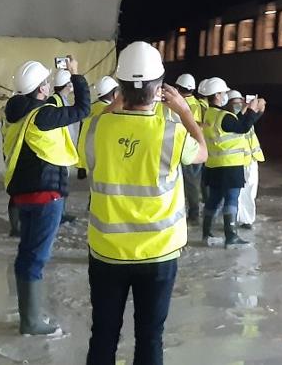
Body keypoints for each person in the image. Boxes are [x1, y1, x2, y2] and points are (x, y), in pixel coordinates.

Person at [81, 42, 207, 365]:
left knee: (104, 334)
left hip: (107, 253)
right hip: (158, 254)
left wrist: (117, 104)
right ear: (158, 89)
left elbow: (95, 138)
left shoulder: (96, 129)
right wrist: (185, 112)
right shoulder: (172, 133)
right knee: (150, 336)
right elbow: (203, 152)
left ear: (119, 88)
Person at [3, 57, 91, 335]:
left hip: (23, 196)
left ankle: (28, 317)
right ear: (40, 89)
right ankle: (31, 322)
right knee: (35, 258)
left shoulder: (18, 112)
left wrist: (60, 86)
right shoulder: (42, 116)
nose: (49, 87)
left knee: (27, 254)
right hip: (46, 195)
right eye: (46, 84)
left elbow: (52, 104)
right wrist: (76, 74)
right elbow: (82, 109)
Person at [199, 78, 265, 247]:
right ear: (217, 95)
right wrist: (253, 111)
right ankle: (231, 236)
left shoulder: (210, 114)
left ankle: (206, 234)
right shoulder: (224, 116)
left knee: (213, 199)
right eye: (223, 93)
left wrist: (250, 112)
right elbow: (242, 127)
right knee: (231, 199)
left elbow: (238, 123)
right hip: (230, 166)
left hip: (214, 166)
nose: (225, 96)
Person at [226, 91, 265, 230]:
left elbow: (258, 110)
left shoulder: (246, 115)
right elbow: (241, 121)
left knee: (250, 191)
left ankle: (246, 218)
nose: (238, 105)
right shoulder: (229, 119)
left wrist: (257, 103)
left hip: (251, 160)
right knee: (240, 192)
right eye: (235, 103)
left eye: (239, 102)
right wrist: (248, 108)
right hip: (238, 160)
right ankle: (239, 219)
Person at [174, 73, 204, 224]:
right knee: (193, 182)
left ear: (178, 87)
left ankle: (193, 212)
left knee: (186, 182)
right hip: (194, 145)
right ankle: (194, 211)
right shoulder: (197, 103)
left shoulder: (177, 103)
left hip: (182, 144)